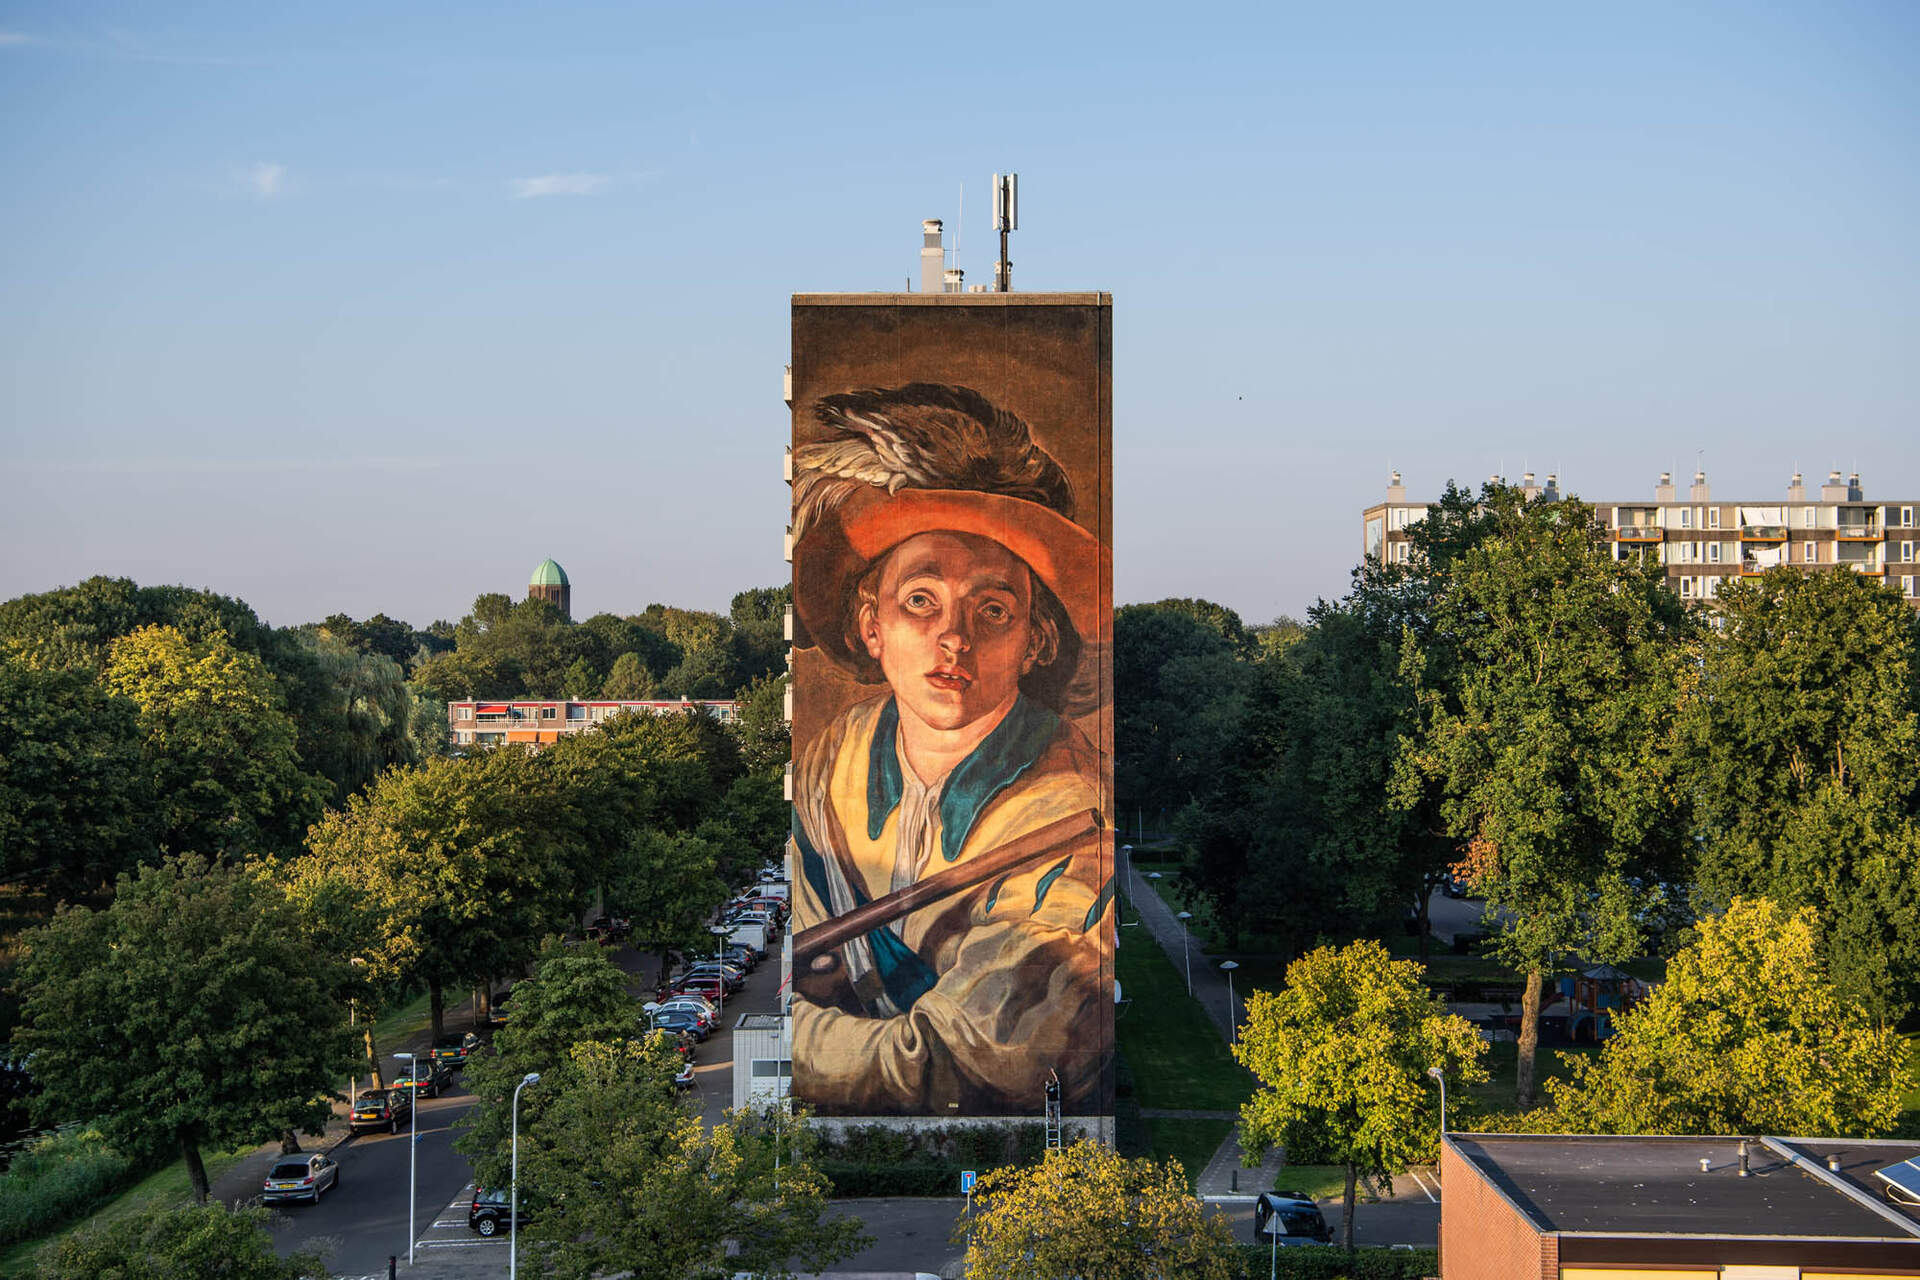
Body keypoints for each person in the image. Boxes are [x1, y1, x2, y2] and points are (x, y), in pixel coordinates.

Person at [788, 383, 1112, 1115]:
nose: (954, 639)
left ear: (1036, 641)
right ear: (872, 626)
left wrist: (797, 1039)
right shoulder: (835, 755)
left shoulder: (1068, 809)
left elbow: (971, 1058)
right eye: (920, 601)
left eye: (992, 609)